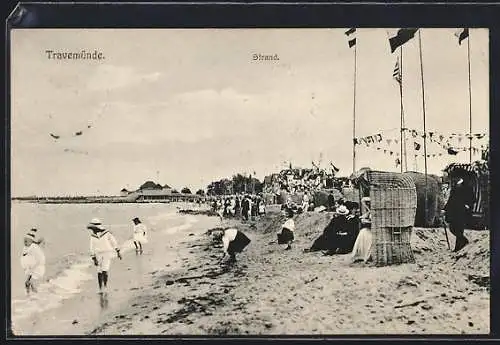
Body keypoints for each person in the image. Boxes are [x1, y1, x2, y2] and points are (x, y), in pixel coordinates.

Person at [87, 218, 122, 293]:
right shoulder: (93, 236)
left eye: (93, 228)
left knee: (104, 270)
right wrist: (94, 258)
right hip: (98, 254)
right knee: (99, 271)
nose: (92, 229)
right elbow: (91, 247)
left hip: (107, 253)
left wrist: (118, 251)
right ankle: (100, 288)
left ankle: (105, 286)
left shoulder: (107, 233)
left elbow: (113, 242)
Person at [444, 177, 474, 252]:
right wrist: (445, 208)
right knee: (452, 228)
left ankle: (457, 248)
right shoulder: (455, 187)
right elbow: (451, 199)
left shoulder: (467, 186)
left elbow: (473, 198)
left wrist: (468, 205)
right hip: (454, 211)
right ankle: (464, 240)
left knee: (459, 229)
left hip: (462, 211)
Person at [21, 228, 46, 295]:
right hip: (31, 268)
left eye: (26, 241)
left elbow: (39, 258)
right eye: (24, 241)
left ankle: (35, 293)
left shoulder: (34, 247)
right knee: (27, 282)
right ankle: (29, 293)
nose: (25, 243)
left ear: (31, 241)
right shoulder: (27, 247)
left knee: (31, 281)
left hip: (37, 267)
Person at [351, 197, 373, 263]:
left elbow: (373, 222)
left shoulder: (374, 211)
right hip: (367, 229)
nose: (368, 204)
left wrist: (367, 221)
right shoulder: (370, 211)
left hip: (373, 230)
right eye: (367, 203)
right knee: (362, 232)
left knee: (365, 233)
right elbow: (363, 217)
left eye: (369, 202)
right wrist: (362, 219)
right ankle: (360, 255)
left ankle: (367, 255)